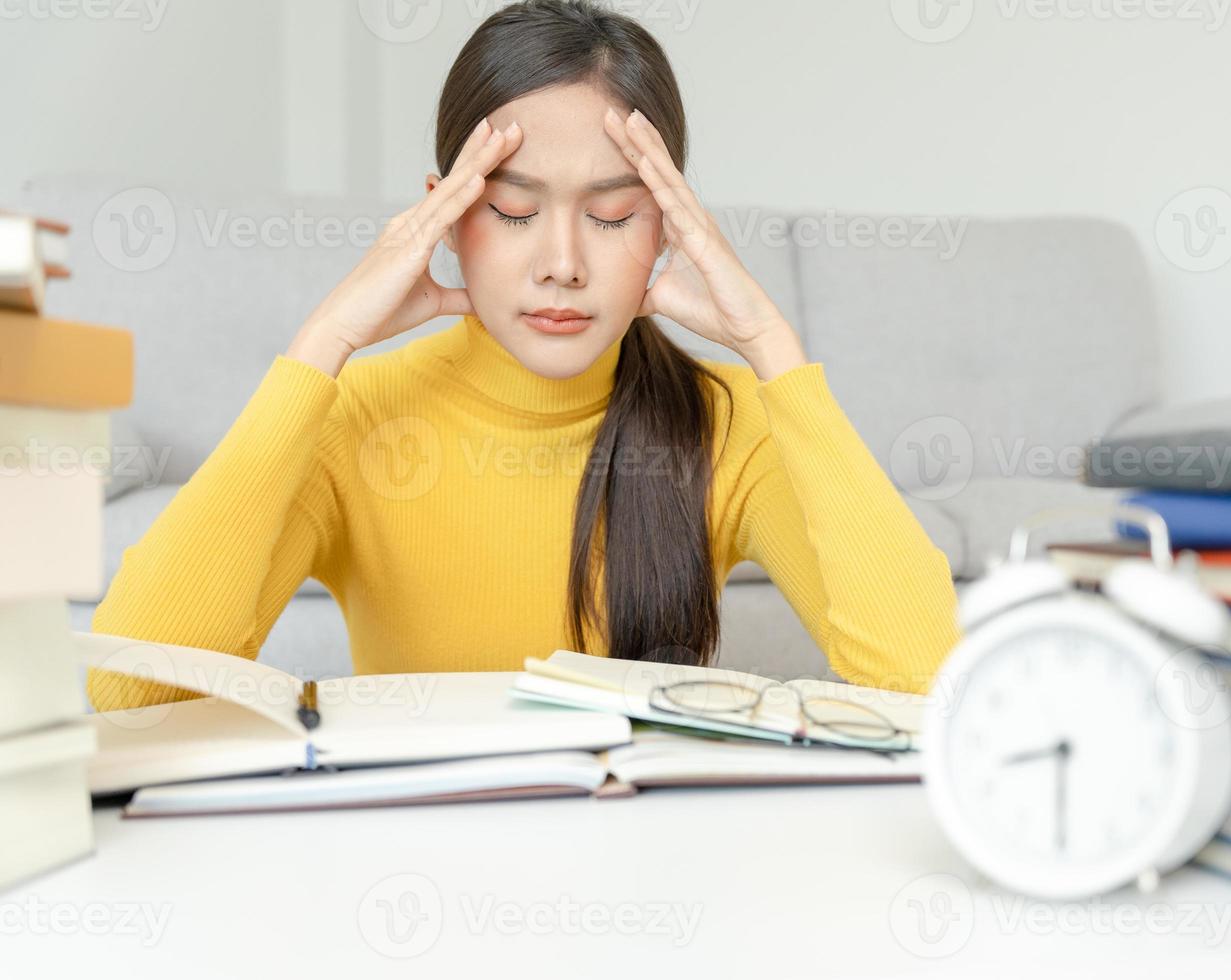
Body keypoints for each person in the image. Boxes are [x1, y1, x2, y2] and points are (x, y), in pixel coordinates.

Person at [87, 0, 961, 712]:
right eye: (511, 209)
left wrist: (776, 354)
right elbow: (131, 694)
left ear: (668, 225)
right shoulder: (351, 417)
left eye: (614, 215)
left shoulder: (729, 422)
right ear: (446, 218)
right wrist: (320, 350)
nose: (563, 262)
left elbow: (929, 685)